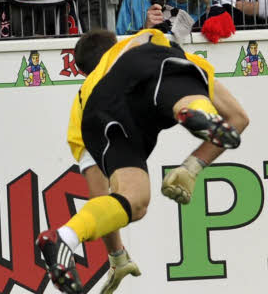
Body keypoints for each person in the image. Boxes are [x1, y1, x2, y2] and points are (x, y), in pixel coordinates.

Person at [38, 28, 247, 294]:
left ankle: (64, 237)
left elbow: (99, 194)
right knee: (177, 81)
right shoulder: (138, 42)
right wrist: (192, 167)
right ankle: (196, 111)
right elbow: (239, 118)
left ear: (81, 72)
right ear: (115, 43)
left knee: (133, 201)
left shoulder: (81, 102)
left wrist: (117, 257)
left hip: (100, 111)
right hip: (143, 67)